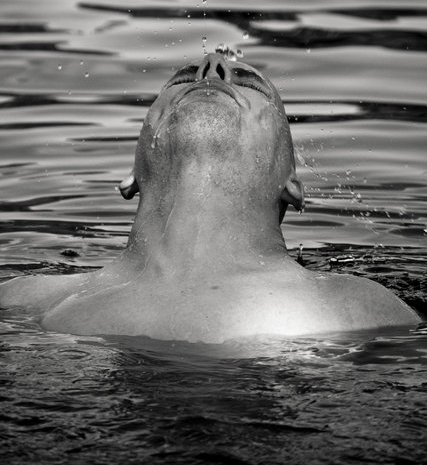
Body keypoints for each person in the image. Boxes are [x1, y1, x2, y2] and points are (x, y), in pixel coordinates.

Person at [0, 51, 420, 342]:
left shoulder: (364, 309)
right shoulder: (22, 300)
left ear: (291, 186)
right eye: (183, 80)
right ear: (131, 179)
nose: (212, 68)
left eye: (249, 84)